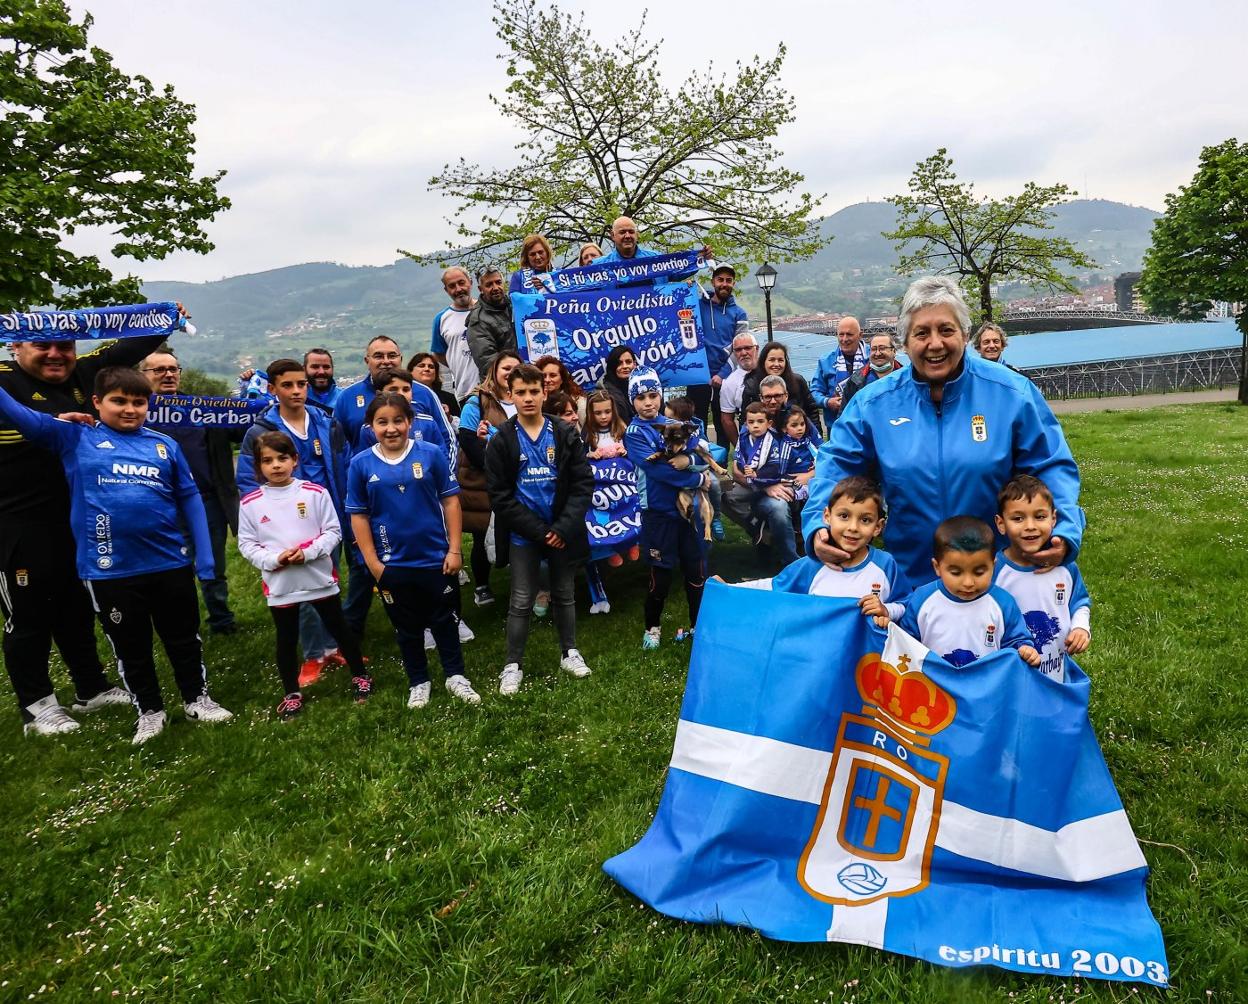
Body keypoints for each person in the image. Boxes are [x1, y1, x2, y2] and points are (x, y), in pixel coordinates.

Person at [801, 275, 1083, 588]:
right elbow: (836, 467)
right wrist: (817, 523)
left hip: (997, 580)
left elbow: (1050, 464)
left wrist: (1063, 527)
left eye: (946, 330)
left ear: (965, 335)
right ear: (905, 343)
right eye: (921, 333)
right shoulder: (872, 404)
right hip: (907, 582)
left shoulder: (1012, 393)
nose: (935, 344)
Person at [0, 367, 233, 745]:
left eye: (138, 402)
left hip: (169, 563)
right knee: (131, 646)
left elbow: (189, 497)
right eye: (119, 401)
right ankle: (150, 711)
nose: (129, 409)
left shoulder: (163, 444)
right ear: (96, 402)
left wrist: (205, 558)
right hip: (110, 570)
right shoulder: (74, 436)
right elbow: (19, 416)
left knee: (184, 639)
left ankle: (197, 699)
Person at [0, 334, 161, 736]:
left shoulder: (82, 373)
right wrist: (54, 423)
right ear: (15, 347)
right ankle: (38, 706)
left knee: (76, 607)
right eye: (42, 346)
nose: (55, 354)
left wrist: (163, 318)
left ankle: (91, 688)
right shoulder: (3, 377)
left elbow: (126, 347)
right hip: (16, 522)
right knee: (29, 614)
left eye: (65, 346)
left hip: (76, 519)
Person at [347, 392, 481, 708]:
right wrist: (374, 564)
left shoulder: (430, 453)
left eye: (398, 420)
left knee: (445, 621)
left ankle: (455, 676)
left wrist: (455, 550)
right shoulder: (361, 464)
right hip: (392, 564)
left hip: (436, 559)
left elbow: (450, 501)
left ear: (409, 422)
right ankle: (419, 681)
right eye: (382, 422)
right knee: (406, 629)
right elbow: (359, 516)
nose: (391, 428)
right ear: (370, 426)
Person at [236, 431, 369, 720]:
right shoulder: (250, 503)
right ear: (258, 466)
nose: (276, 465)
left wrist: (308, 553)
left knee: (340, 629)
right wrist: (274, 559)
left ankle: (360, 676)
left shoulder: (315, 493)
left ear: (295, 460)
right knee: (286, 639)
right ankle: (291, 694)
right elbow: (246, 544)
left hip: (319, 580)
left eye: (282, 458)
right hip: (281, 585)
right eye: (267, 461)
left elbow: (333, 532)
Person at [237, 358, 352, 684]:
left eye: (301, 384)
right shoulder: (260, 431)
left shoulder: (324, 421)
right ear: (273, 389)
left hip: (325, 516)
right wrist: (264, 521)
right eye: (287, 385)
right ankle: (313, 655)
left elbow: (342, 463)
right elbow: (247, 480)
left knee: (327, 586)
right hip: (284, 525)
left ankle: (331, 647)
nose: (297, 390)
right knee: (300, 594)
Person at [484, 363, 594, 695]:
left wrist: (561, 527)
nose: (528, 398)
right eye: (521, 392)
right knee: (521, 599)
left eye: (534, 391)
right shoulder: (502, 439)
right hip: (524, 535)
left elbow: (582, 483)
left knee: (564, 594)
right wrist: (538, 531)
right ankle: (512, 664)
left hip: (562, 532)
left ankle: (569, 652)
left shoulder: (564, 433)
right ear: (510, 395)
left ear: (545, 393)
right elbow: (499, 496)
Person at [140, 348, 239, 635]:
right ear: (143, 375)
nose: (168, 374)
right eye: (159, 370)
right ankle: (180, 624)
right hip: (160, 506)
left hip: (207, 502)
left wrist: (252, 398)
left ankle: (221, 619)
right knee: (171, 569)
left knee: (213, 566)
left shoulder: (200, 409)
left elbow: (240, 431)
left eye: (173, 369)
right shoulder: (138, 413)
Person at [624, 369, 710, 649]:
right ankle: (652, 627)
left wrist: (690, 461)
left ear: (660, 396)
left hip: (688, 512)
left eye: (653, 395)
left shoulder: (675, 423)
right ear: (632, 401)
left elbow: (703, 450)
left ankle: (698, 626)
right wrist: (697, 479)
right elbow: (659, 471)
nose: (648, 402)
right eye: (640, 398)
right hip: (658, 513)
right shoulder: (633, 433)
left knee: (695, 572)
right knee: (660, 576)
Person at [898, 516, 1040, 670]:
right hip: (933, 683)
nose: (968, 583)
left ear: (993, 565)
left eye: (979, 572)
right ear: (937, 567)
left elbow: (1017, 641)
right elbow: (904, 643)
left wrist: (1025, 650)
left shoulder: (1003, 602)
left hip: (987, 683)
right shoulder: (922, 599)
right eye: (956, 573)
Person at [770, 475, 911, 625]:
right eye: (844, 516)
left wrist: (887, 610)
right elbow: (770, 596)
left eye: (865, 520)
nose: (853, 527)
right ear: (827, 516)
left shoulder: (886, 565)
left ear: (878, 527)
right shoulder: (810, 566)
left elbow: (906, 604)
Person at [992, 474, 1091, 682]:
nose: (1030, 526)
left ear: (1053, 519)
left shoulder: (1065, 567)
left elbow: (1080, 602)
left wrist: (1081, 628)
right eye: (1018, 518)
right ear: (1001, 524)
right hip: (1010, 680)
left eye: (1039, 516)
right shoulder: (995, 571)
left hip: (1056, 674)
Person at [458, 350, 522, 607]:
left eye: (515, 368)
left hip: (518, 475)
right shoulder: (477, 401)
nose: (510, 373)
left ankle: (521, 580)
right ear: (494, 371)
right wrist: (492, 466)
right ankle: (482, 586)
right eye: (506, 368)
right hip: (482, 479)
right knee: (482, 532)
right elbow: (467, 437)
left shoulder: (524, 397)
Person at [731, 401, 797, 568]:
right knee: (725, 497)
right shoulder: (744, 438)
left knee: (779, 509)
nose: (755, 426)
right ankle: (756, 525)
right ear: (746, 423)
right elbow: (737, 466)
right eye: (751, 422)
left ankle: (791, 562)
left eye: (760, 421)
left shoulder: (775, 439)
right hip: (752, 486)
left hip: (774, 485)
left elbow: (775, 468)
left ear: (769, 423)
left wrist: (759, 478)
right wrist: (747, 472)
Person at [696, 264, 749, 442]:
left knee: (723, 425)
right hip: (698, 377)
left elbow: (740, 348)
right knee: (696, 425)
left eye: (729, 280)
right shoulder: (697, 306)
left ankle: (724, 458)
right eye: (720, 280)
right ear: (713, 282)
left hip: (725, 379)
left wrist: (722, 374)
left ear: (733, 283)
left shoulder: (739, 314)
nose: (724, 284)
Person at [334, 336, 406, 454]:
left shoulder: (424, 393)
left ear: (401, 359)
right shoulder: (347, 397)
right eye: (379, 356)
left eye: (392, 356)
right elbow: (338, 447)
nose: (386, 361)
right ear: (367, 361)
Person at [740, 342, 820, 432]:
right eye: (772, 360)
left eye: (780, 360)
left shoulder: (798, 382)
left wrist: (816, 435)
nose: (776, 364)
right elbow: (745, 419)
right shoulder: (751, 385)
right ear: (763, 362)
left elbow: (811, 411)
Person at [431, 266, 479, 404]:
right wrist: (457, 363)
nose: (458, 289)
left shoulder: (487, 309)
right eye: (452, 286)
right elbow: (438, 353)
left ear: (470, 282)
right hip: (465, 392)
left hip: (497, 390)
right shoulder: (441, 319)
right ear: (446, 290)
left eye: (461, 283)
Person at [810, 316, 870, 427]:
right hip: (836, 426)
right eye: (841, 334)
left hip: (867, 423)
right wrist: (827, 402)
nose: (844, 339)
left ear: (860, 335)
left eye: (849, 334)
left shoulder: (872, 357)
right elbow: (814, 392)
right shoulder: (826, 361)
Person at [836, 331, 903, 417]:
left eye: (882, 348)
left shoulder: (907, 378)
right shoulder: (856, 381)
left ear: (893, 351)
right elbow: (844, 416)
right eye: (874, 349)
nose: (877, 353)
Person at [465, 267, 516, 378]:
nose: (495, 288)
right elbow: (488, 362)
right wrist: (519, 374)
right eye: (489, 285)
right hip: (501, 382)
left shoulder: (516, 305)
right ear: (480, 289)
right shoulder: (477, 320)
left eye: (498, 282)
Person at [718, 330, 758, 451]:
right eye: (738, 350)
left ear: (756, 349)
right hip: (750, 438)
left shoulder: (770, 370)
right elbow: (726, 420)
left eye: (748, 348)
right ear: (734, 353)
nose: (743, 353)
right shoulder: (729, 383)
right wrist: (739, 448)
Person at [408, 352, 461, 422]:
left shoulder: (449, 398)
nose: (427, 369)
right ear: (411, 371)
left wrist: (449, 418)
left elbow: (461, 425)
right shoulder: (405, 394)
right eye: (421, 366)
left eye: (431, 367)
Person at [535, 355, 587, 424]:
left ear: (562, 379)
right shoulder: (534, 402)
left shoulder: (579, 402)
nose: (547, 380)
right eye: (543, 376)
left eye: (553, 375)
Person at [593, 217, 661, 263]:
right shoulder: (599, 266)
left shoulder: (656, 259)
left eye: (631, 232)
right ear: (613, 235)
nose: (627, 236)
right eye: (622, 232)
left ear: (637, 235)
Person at [600, 346, 639, 422]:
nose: (625, 366)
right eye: (619, 363)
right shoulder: (605, 392)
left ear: (634, 364)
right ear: (612, 366)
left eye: (628, 362)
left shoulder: (643, 385)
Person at [303, 348, 341, 412]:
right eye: (315, 367)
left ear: (332, 369)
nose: (321, 372)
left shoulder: (345, 397)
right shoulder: (297, 398)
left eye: (326, 367)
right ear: (304, 369)